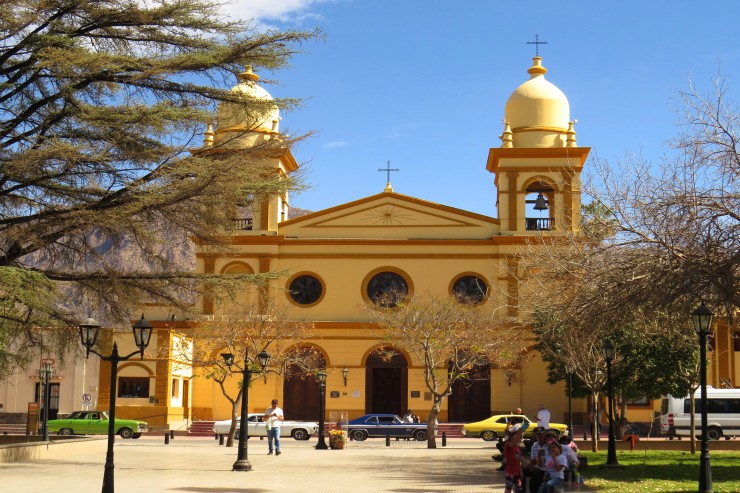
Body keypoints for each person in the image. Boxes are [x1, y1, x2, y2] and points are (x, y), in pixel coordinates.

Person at [524, 427, 548, 493]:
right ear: (535, 435)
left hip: (546, 469)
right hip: (538, 467)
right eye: (538, 434)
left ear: (544, 434)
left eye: (541, 434)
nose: (540, 436)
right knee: (522, 472)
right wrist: (526, 467)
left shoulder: (549, 445)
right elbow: (533, 460)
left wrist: (537, 466)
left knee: (534, 481)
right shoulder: (534, 445)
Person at [503, 423, 524, 493]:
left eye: (521, 436)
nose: (520, 437)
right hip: (510, 472)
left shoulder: (517, 447)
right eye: (518, 436)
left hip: (517, 472)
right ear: (511, 437)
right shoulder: (508, 445)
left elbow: (518, 460)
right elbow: (510, 443)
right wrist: (519, 431)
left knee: (519, 489)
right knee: (508, 489)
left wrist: (520, 470)